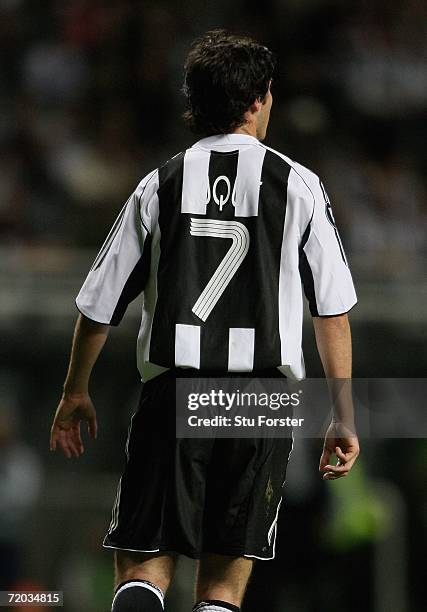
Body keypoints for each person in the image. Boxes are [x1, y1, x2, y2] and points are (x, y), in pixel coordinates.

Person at [50, 30, 360, 612]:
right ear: (257, 101)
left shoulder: (160, 182)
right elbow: (333, 311)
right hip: (260, 400)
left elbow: (97, 305)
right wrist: (342, 412)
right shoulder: (297, 184)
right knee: (222, 584)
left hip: (174, 391)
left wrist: (75, 390)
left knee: (143, 565)